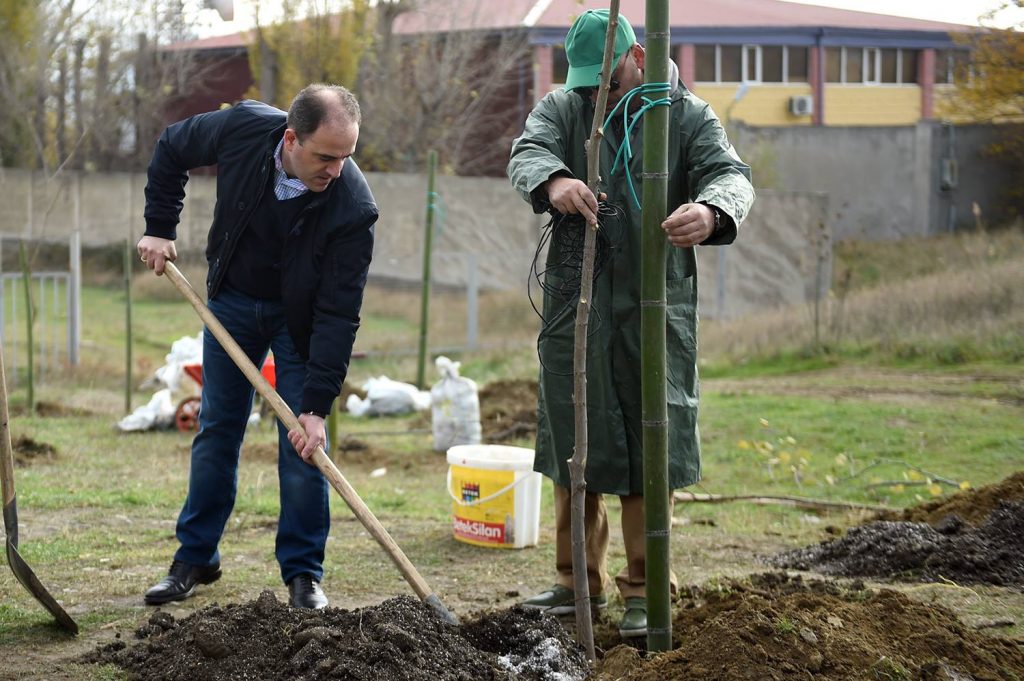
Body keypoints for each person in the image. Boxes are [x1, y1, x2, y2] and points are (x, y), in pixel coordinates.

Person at [507, 10, 755, 637]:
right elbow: (525, 152)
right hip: (575, 302)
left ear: (638, 58)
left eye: (607, 81)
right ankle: (572, 584)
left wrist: (710, 209)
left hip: (653, 304)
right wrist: (555, 179)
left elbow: (732, 176)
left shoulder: (687, 115)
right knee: (574, 440)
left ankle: (648, 588)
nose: (597, 95)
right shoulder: (563, 108)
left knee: (651, 442)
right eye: (586, 84)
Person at [138, 84, 377, 610]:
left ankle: (303, 575)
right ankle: (195, 557)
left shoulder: (353, 208)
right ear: (291, 138)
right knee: (218, 429)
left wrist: (316, 407)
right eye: (326, 156)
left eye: (347, 157)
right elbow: (172, 147)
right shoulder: (242, 127)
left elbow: (339, 314)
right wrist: (159, 227)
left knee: (302, 444)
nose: (337, 170)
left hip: (302, 325)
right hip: (234, 303)